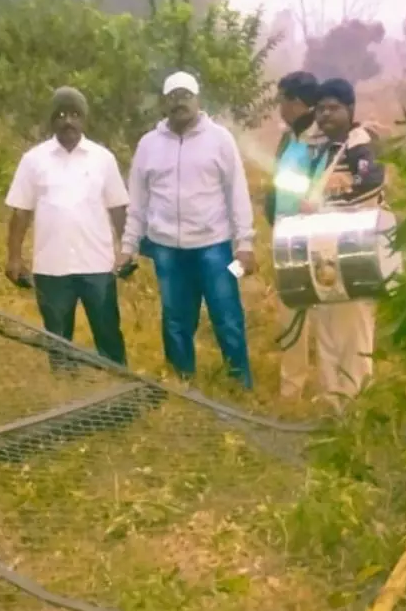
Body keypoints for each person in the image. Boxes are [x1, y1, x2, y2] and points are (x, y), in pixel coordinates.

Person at [117, 71, 257, 388]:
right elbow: (137, 202)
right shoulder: (148, 145)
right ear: (164, 103)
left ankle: (239, 382)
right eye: (173, 97)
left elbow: (237, 191)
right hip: (166, 249)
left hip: (215, 246)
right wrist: (128, 247)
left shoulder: (220, 139)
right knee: (176, 320)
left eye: (186, 95)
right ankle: (182, 383)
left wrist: (244, 243)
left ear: (198, 99)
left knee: (227, 316)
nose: (180, 102)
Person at [4, 87, 130, 368]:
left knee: (108, 335)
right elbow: (21, 212)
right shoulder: (33, 160)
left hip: (96, 265)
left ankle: (122, 396)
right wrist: (14, 258)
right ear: (51, 121)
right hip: (52, 268)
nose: (68, 121)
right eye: (60, 115)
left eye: (74, 114)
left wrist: (127, 250)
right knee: (59, 341)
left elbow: (118, 207)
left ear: (84, 119)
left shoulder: (102, 159)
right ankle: (66, 395)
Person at [302, 77, 386, 409]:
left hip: (356, 253)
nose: (325, 115)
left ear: (350, 109)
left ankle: (357, 413)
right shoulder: (326, 150)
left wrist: (323, 206)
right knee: (329, 332)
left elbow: (370, 183)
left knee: (353, 335)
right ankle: (334, 409)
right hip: (328, 252)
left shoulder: (359, 142)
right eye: (320, 109)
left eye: (333, 108)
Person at [263, 70, 323, 399]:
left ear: (297, 102)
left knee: (324, 311)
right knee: (291, 310)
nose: (279, 108)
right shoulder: (289, 137)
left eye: (281, 100)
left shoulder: (321, 138)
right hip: (285, 235)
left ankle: (334, 388)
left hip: (315, 238)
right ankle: (292, 386)